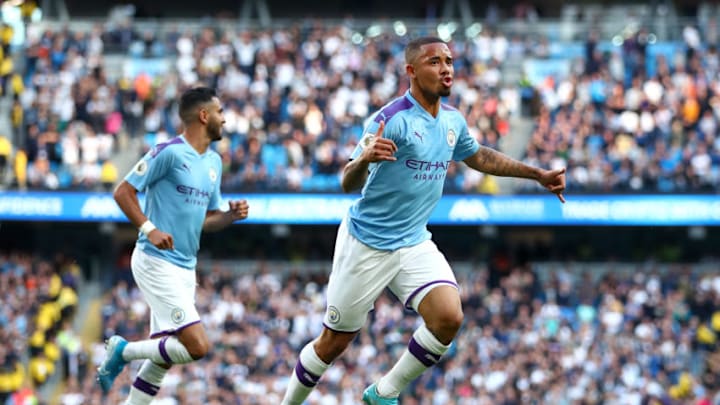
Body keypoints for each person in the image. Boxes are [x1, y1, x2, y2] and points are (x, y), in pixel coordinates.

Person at [280, 37, 566, 405]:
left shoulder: (452, 120)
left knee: (448, 317)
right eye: (435, 61)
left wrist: (537, 174)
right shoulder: (391, 119)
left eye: (449, 61)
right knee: (332, 343)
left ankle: (384, 393)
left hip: (413, 241)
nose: (446, 68)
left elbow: (479, 157)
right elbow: (347, 182)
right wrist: (365, 159)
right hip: (367, 243)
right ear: (411, 71)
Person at [97, 87, 249, 404]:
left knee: (164, 357)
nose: (225, 118)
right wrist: (149, 228)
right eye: (220, 111)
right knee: (197, 347)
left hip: (185, 267)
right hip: (155, 260)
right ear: (204, 115)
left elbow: (206, 220)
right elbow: (123, 192)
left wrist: (229, 217)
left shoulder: (214, 163)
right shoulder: (167, 152)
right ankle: (123, 350)